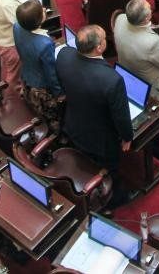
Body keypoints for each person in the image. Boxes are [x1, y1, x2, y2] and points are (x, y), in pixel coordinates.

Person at [56, 25, 134, 200]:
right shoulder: (112, 80)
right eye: (105, 38)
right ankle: (114, 199)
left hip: (73, 124)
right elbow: (120, 115)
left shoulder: (64, 55)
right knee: (111, 167)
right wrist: (127, 136)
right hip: (101, 140)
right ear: (99, 47)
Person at [113, 0, 159, 104]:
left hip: (126, 72)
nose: (151, 8)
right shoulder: (152, 42)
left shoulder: (120, 18)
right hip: (149, 86)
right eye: (150, 8)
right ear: (147, 18)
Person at [13, 0, 63, 132]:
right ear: (39, 20)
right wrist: (59, 94)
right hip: (42, 90)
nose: (44, 9)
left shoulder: (16, 26)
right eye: (42, 10)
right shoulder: (45, 44)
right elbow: (51, 74)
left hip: (26, 76)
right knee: (53, 117)